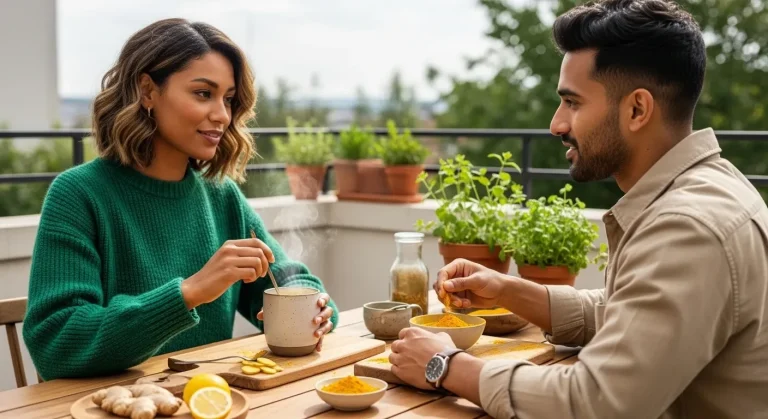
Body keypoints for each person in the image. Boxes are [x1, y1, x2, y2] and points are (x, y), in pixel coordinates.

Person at [389, 1, 768, 417]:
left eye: (573, 102)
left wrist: (444, 364)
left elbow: (598, 402)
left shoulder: (688, 228)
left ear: (637, 109)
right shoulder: (712, 187)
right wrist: (506, 290)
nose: (557, 124)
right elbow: (629, 316)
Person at [22, 18, 338, 381]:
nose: (222, 115)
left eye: (229, 99)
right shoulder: (78, 194)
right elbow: (55, 344)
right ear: (148, 91)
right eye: (203, 93)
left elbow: (287, 277)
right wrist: (188, 293)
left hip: (207, 403)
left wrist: (314, 307)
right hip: (102, 406)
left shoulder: (221, 195)